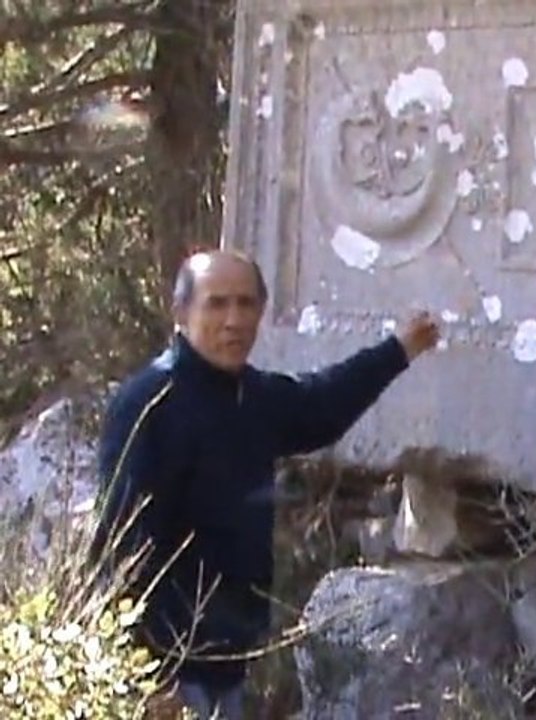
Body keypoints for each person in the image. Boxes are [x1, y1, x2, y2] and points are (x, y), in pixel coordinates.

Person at [89, 249, 440, 718]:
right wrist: (143, 674)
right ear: (180, 313)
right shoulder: (150, 405)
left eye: (246, 303)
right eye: (216, 304)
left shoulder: (249, 396)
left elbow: (320, 405)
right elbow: (121, 544)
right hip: (167, 672)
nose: (234, 320)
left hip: (226, 662)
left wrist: (399, 349)